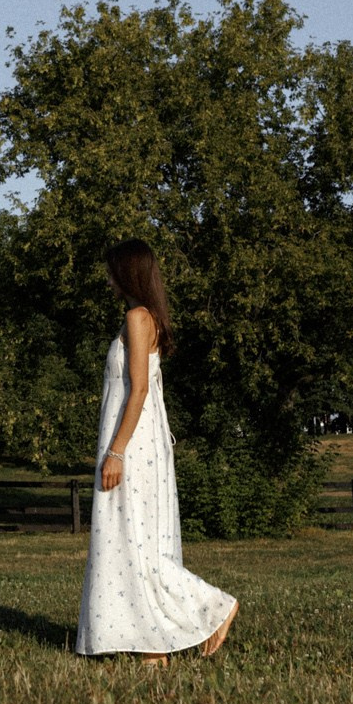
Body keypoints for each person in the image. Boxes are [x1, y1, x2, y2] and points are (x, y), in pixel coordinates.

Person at [75, 238, 238, 664]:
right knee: (133, 541)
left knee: (134, 539)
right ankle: (152, 647)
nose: (108, 279)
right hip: (139, 441)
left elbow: (140, 388)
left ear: (125, 273)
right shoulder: (145, 318)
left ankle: (214, 607)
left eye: (112, 271)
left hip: (132, 443)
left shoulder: (136, 316)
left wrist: (117, 452)